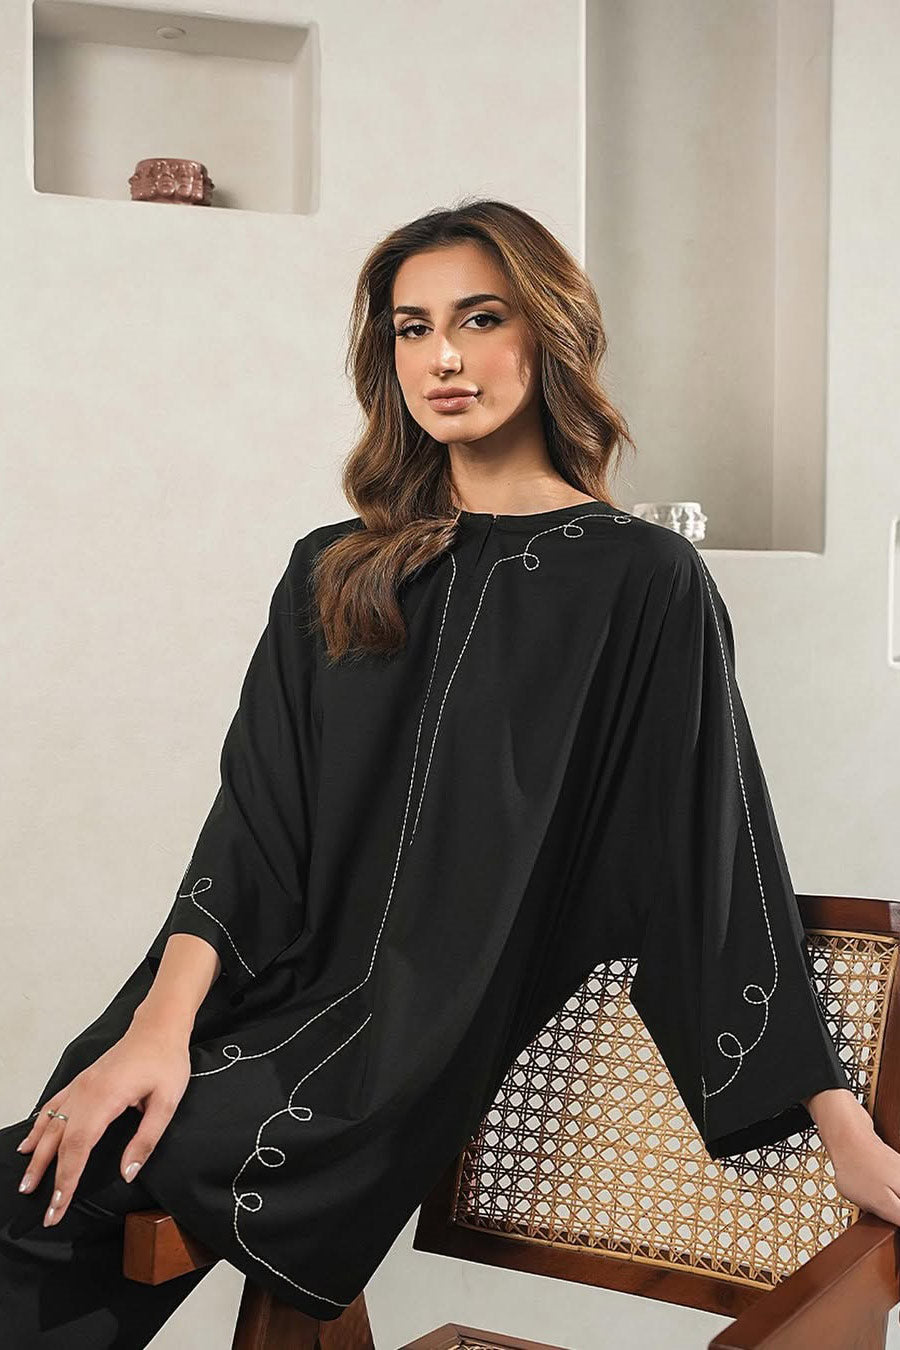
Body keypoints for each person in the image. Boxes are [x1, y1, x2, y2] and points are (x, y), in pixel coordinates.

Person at [3, 198, 899, 1349]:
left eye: (479, 318)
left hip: (399, 1057)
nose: (442, 357)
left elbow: (708, 852)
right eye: (411, 327)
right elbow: (252, 832)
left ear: (549, 332)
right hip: (245, 1011)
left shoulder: (640, 582)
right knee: (41, 1179)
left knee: (59, 1191)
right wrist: (155, 1034)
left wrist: (838, 1122)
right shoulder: (334, 569)